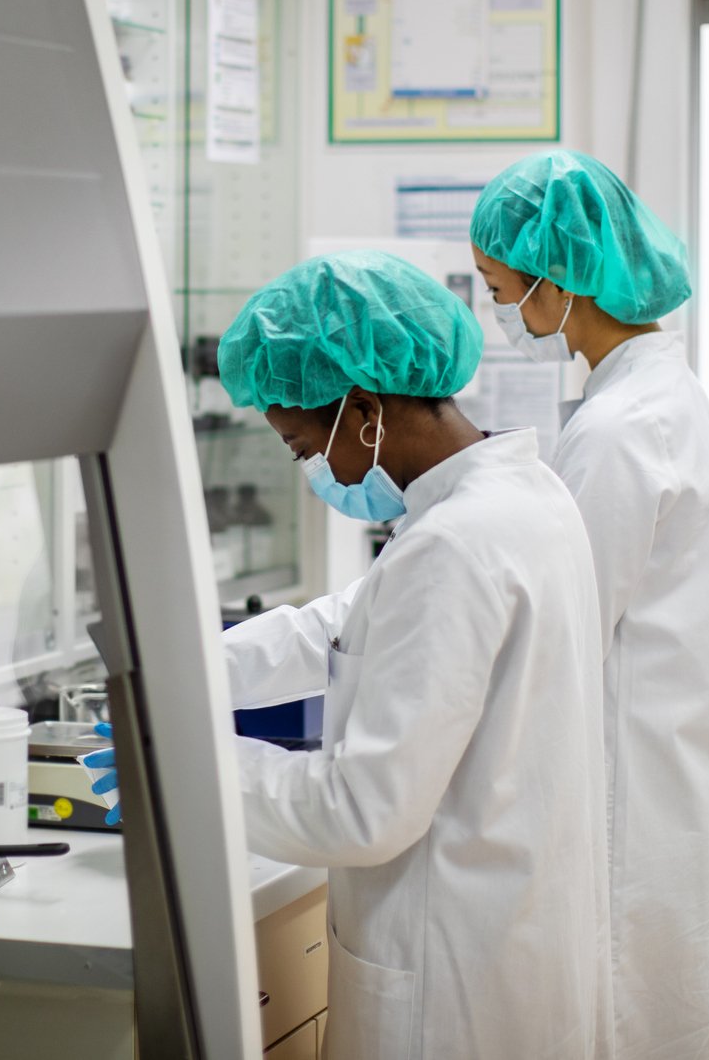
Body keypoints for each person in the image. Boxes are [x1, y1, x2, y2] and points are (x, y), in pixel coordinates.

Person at [95, 249, 609, 1058]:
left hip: (449, 983)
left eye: (304, 447)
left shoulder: (454, 545)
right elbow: (345, 622)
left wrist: (182, 768)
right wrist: (182, 675)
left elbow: (363, 813)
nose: (315, 470)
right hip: (508, 930)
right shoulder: (518, 500)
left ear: (365, 409)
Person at [471, 150, 709, 1060]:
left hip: (641, 811)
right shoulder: (659, 396)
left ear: (559, 281)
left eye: (499, 287)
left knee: (640, 1022)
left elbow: (559, 630)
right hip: (678, 786)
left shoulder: (616, 431)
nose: (499, 313)